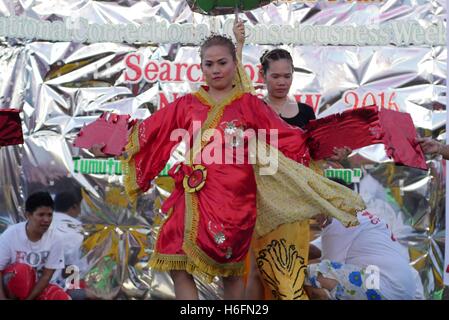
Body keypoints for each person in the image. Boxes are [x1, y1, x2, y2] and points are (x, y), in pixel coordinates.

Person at [89, 34, 365, 300]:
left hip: (235, 200)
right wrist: (110, 142)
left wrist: (327, 147)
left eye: (222, 63)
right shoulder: (188, 104)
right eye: (209, 64)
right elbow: (149, 129)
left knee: (231, 273)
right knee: (175, 258)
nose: (216, 69)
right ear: (201, 67)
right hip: (193, 193)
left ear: (235, 64)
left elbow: (288, 137)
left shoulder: (249, 104)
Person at [233, 18, 351, 300]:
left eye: (287, 76)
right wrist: (239, 45)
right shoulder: (256, 108)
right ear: (263, 76)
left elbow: (312, 160)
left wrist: (322, 198)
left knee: (290, 274)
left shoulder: (306, 113)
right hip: (263, 203)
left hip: (295, 208)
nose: (282, 81)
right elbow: (238, 87)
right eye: (275, 76)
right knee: (259, 274)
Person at [304, 178, 423, 300]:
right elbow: (316, 250)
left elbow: (327, 267)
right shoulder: (360, 216)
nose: (311, 212)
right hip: (405, 288)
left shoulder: (340, 221)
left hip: (386, 286)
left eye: (314, 202)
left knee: (311, 274)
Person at [0, 191, 70, 300]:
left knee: (60, 296)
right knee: (21, 271)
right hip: (10, 288)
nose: (46, 220)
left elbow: (47, 275)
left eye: (49, 215)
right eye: (41, 215)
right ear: (28, 215)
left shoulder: (56, 238)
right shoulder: (10, 235)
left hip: (36, 289)